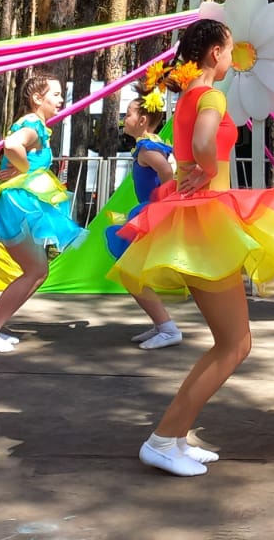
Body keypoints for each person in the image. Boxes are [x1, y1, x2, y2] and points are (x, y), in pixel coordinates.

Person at [113, 18, 274, 476]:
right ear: (214, 54)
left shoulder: (186, 95)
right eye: (229, 49)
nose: (231, 57)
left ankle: (176, 437)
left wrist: (200, 167)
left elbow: (191, 143)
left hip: (194, 218)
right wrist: (206, 168)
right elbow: (205, 142)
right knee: (234, 344)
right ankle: (163, 439)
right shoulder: (211, 94)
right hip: (205, 219)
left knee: (230, 342)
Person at [0, 70, 87, 353]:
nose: (61, 99)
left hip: (17, 203)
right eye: (55, 94)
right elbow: (12, 145)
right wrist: (24, 168)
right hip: (14, 205)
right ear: (37, 98)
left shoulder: (38, 124)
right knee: (35, 270)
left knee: (38, 271)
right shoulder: (31, 123)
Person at [106, 88, 181, 350]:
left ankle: (168, 328)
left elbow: (165, 171)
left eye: (127, 114)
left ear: (141, 121)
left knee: (130, 271)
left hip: (151, 213)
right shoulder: (148, 145)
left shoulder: (148, 148)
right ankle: (162, 325)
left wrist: (162, 203)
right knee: (133, 272)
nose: (123, 119)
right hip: (149, 211)